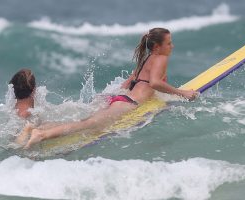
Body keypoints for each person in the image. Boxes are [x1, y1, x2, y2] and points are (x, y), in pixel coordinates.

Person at [19, 27, 198, 149]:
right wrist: (183, 93)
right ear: (157, 47)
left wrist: (113, 97)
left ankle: (35, 128)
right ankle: (41, 135)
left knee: (87, 121)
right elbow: (155, 83)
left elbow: (130, 81)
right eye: (169, 43)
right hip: (128, 104)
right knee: (88, 125)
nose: (172, 46)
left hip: (121, 99)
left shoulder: (147, 57)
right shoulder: (161, 58)